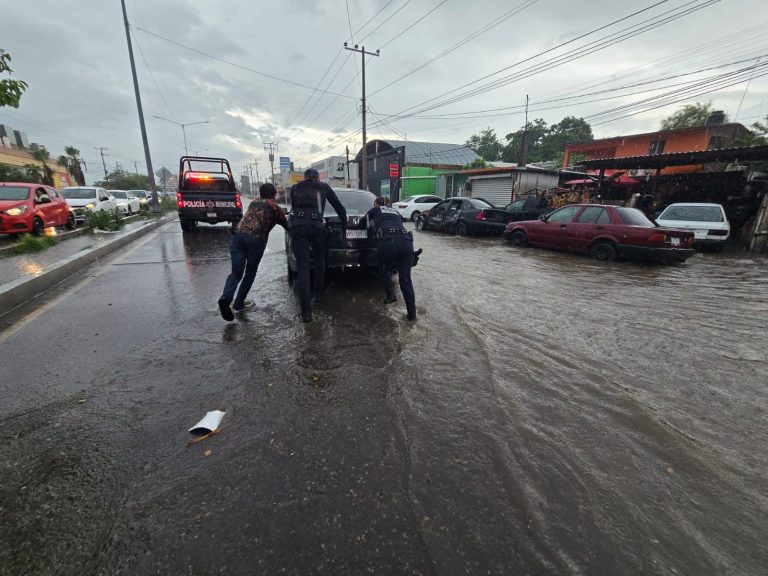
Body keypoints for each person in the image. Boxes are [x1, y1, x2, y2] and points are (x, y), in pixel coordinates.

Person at [218, 183, 287, 322]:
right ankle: (238, 304)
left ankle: (225, 298)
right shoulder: (275, 207)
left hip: (237, 236)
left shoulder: (253, 203)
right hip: (255, 240)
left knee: (236, 273)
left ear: (260, 194)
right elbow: (287, 225)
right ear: (274, 194)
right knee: (250, 272)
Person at [289, 168, 347, 323]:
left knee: (303, 267)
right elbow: (338, 206)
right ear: (317, 177)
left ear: (305, 177)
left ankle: (306, 313)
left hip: (298, 228)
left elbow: (294, 208)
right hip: (316, 227)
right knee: (320, 261)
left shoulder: (295, 188)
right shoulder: (323, 187)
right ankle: (319, 295)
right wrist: (344, 223)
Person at [357, 195, 417, 321]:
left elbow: (363, 223)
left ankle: (391, 294)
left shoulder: (376, 210)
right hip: (406, 242)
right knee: (406, 281)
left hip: (389, 242)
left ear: (376, 204)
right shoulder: (395, 211)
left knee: (382, 268)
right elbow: (399, 222)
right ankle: (412, 315)